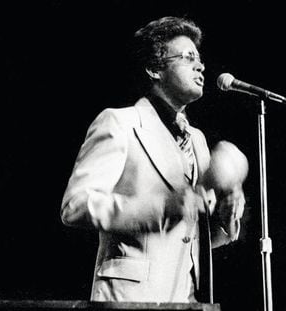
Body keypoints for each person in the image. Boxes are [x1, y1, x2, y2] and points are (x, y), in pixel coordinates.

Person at [61, 16, 246, 303]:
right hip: (128, 298)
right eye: (188, 57)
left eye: (200, 58)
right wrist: (159, 207)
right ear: (153, 68)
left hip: (185, 301)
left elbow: (191, 237)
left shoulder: (197, 139)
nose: (201, 65)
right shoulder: (119, 123)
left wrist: (224, 218)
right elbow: (75, 206)